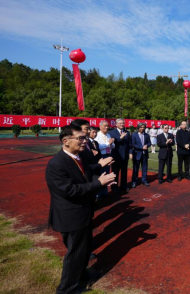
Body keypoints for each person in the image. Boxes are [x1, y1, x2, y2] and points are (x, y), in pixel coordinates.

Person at [46, 125, 116, 294]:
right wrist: (99, 183)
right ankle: (66, 289)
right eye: (80, 138)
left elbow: (85, 177)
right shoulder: (57, 164)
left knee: (83, 249)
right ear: (66, 141)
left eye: (85, 138)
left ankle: (82, 274)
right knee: (76, 252)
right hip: (71, 215)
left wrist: (99, 178)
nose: (85, 141)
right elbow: (70, 191)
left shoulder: (77, 157)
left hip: (82, 211)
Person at [108, 118, 131, 192]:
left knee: (124, 172)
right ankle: (114, 187)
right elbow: (112, 141)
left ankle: (123, 186)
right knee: (115, 172)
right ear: (116, 124)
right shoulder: (112, 132)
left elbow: (129, 144)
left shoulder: (127, 132)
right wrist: (120, 138)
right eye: (120, 123)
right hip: (116, 155)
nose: (122, 124)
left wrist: (130, 152)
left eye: (123, 123)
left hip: (125, 156)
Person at [95, 120, 115, 198]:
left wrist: (112, 143)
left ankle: (104, 192)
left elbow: (113, 146)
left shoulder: (108, 135)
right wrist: (108, 143)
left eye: (107, 126)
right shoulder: (97, 135)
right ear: (100, 126)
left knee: (107, 173)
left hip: (108, 155)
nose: (107, 127)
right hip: (101, 156)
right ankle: (98, 193)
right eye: (105, 126)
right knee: (100, 174)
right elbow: (98, 147)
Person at [130, 123, 151, 187]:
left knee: (144, 168)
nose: (142, 128)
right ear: (138, 127)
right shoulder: (134, 135)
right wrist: (141, 147)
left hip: (144, 154)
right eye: (141, 127)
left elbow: (149, 143)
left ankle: (144, 180)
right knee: (135, 169)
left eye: (143, 127)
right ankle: (134, 181)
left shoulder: (147, 135)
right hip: (137, 154)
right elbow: (133, 144)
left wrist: (147, 145)